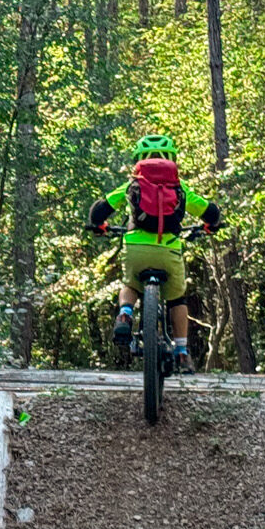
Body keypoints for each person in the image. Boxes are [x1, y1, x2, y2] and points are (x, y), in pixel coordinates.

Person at [88, 134, 221, 373]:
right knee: (177, 299)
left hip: (136, 249)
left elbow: (98, 212)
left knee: (130, 284)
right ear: (172, 159)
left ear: (138, 160)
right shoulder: (180, 187)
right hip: (169, 249)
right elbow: (211, 213)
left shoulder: (132, 185)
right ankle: (181, 352)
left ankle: (126, 314)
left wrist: (100, 227)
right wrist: (210, 226)